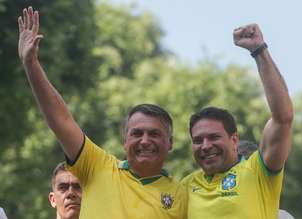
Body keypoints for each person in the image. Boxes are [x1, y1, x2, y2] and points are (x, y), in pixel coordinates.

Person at [18, 6, 187, 219]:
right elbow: (60, 120)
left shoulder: (182, 195)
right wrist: (31, 64)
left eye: (154, 134)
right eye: (137, 133)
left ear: (170, 143)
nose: (145, 141)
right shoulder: (97, 166)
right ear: (124, 140)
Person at [182, 24, 294, 219]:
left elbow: (283, 118)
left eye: (214, 137)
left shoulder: (257, 173)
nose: (205, 146)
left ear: (234, 139)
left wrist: (259, 51)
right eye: (198, 140)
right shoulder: (184, 187)